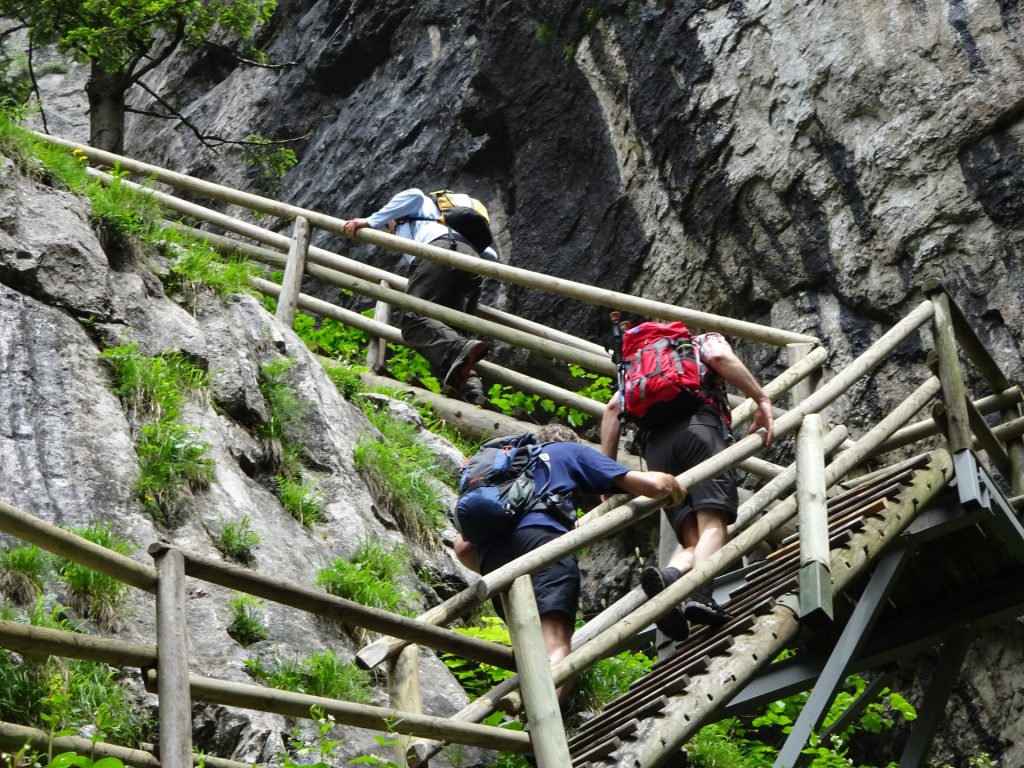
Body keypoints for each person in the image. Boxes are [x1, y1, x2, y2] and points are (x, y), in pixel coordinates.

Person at [453, 423, 684, 700]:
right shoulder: (569, 451)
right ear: (570, 441)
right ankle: (542, 734)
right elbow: (653, 486)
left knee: (532, 653)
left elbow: (463, 548)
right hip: (543, 545)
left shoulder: (511, 464)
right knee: (556, 647)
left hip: (495, 562)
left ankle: (524, 719)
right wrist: (672, 483)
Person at [600, 331, 774, 641]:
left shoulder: (636, 364)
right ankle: (701, 596)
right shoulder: (701, 341)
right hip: (698, 430)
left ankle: (670, 576)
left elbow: (613, 410)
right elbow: (721, 358)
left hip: (656, 449)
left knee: (693, 542)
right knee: (714, 526)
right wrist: (761, 398)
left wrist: (608, 474)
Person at [342, 188, 497, 404]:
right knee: (448, 330)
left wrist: (369, 222)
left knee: (415, 319)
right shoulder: (451, 224)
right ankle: (469, 387)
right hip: (473, 264)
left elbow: (414, 194)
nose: (390, 233)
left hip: (441, 252)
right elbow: (491, 255)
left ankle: (460, 354)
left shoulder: (420, 205)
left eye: (390, 225)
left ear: (398, 216)